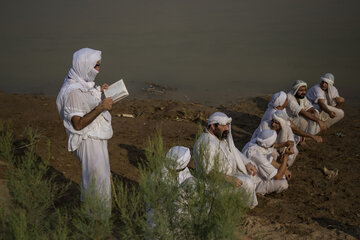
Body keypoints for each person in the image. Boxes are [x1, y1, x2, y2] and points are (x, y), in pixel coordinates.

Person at [56, 48, 113, 213]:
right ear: (85, 66)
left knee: (99, 175)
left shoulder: (79, 81)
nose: (98, 70)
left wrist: (98, 92)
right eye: (96, 66)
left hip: (93, 137)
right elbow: (78, 124)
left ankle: (94, 210)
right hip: (87, 140)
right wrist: (101, 107)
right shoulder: (72, 92)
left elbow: (85, 99)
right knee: (96, 177)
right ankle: (95, 216)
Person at [193, 112, 258, 208]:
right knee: (247, 183)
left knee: (251, 173)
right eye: (224, 126)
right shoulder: (206, 144)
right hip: (215, 184)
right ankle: (243, 208)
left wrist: (247, 162)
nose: (227, 128)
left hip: (229, 176)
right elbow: (208, 173)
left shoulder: (219, 137)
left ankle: (241, 203)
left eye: (228, 125)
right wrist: (230, 179)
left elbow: (233, 149)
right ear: (213, 126)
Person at [243, 130, 292, 195]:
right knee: (283, 183)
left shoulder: (257, 142)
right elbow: (278, 176)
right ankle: (258, 192)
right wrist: (286, 156)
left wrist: (285, 170)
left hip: (257, 174)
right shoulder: (257, 156)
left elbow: (270, 160)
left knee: (282, 173)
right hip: (254, 183)